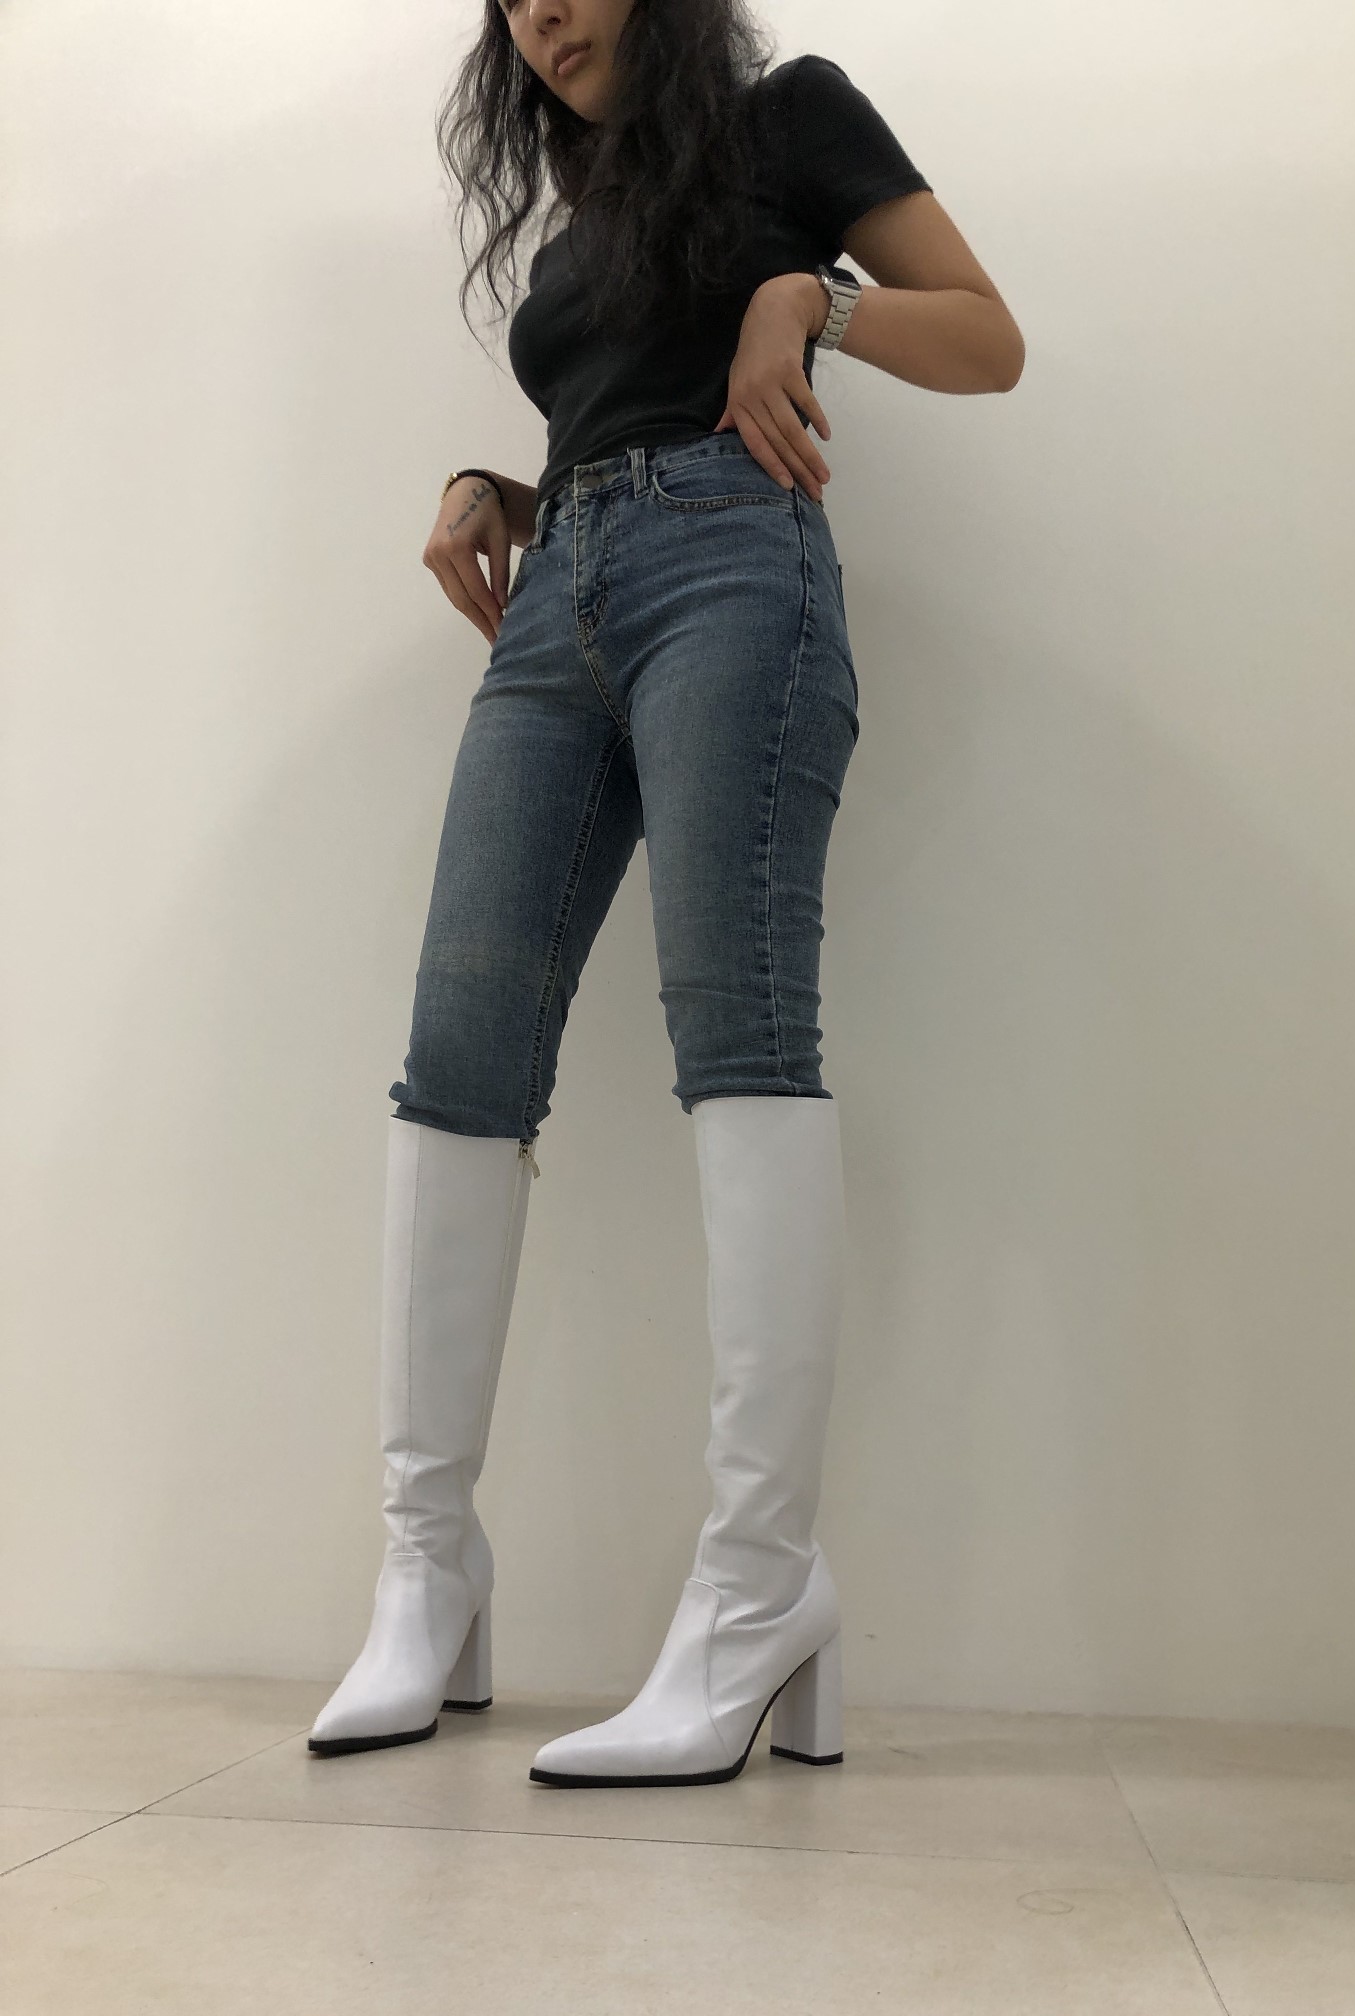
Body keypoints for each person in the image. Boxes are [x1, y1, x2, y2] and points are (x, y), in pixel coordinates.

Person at [307, 0, 1024, 1786]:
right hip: (562, 598)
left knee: (739, 1030)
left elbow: (989, 336)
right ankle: (427, 1572)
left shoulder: (790, 117)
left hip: (733, 572)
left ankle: (760, 1586)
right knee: (458, 1060)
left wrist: (814, 302)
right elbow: (618, 412)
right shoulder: (592, 203)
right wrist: (496, 484)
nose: (539, 14)